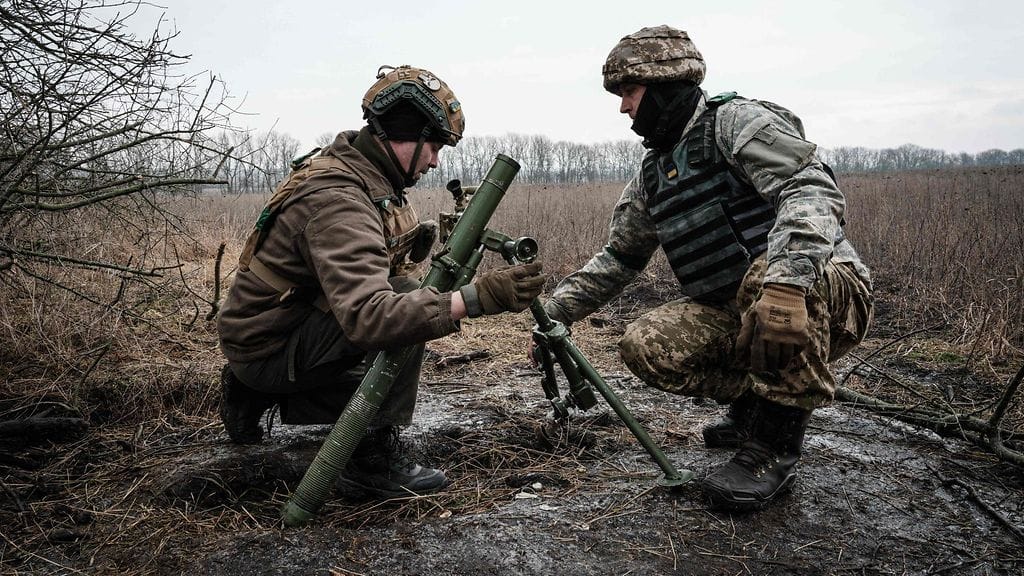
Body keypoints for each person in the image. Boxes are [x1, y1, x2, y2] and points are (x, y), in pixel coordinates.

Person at [540, 26, 873, 510]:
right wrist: (554, 314)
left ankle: (773, 448)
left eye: (629, 92)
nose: (623, 108)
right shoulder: (653, 173)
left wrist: (785, 286)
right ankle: (755, 407)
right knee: (646, 344)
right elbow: (619, 258)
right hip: (744, 309)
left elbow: (810, 188)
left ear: (663, 86)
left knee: (764, 276)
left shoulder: (735, 123)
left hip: (824, 293)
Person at [216, 65, 545, 498]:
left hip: (276, 331)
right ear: (403, 136)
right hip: (268, 346)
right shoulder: (339, 198)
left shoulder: (365, 173)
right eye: (433, 147)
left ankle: (251, 392)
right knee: (408, 310)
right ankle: (368, 460)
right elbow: (371, 316)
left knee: (405, 312)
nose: (434, 161)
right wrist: (477, 298)